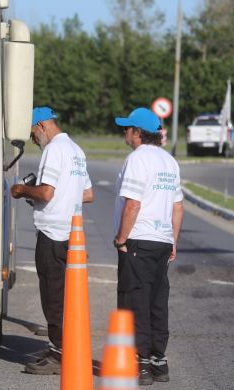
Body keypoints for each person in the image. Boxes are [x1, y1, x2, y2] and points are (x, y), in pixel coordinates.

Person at [10, 106, 94, 375]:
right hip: (73, 234)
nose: (34, 140)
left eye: (33, 134)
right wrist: (63, 197)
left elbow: (46, 193)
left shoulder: (54, 150)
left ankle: (59, 354)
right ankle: (65, 347)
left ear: (42, 126)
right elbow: (88, 193)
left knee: (53, 296)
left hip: (52, 233)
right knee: (69, 295)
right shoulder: (76, 151)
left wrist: (23, 189)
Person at [113, 107, 184, 386]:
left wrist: (121, 238)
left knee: (135, 300)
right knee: (157, 301)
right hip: (163, 239)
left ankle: (140, 362)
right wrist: (173, 241)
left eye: (127, 129)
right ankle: (159, 360)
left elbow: (133, 204)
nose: (124, 133)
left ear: (138, 133)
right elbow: (177, 206)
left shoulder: (137, 159)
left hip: (138, 239)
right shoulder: (169, 161)